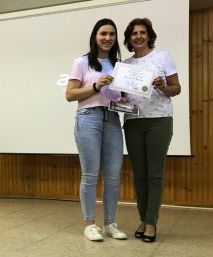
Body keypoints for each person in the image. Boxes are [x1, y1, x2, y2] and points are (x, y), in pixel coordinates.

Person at [66, 19, 127, 242]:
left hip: (112, 119)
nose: (108, 38)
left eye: (112, 34)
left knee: (113, 176)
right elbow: (70, 94)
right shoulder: (81, 62)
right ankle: (90, 224)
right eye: (103, 33)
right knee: (90, 174)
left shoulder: (120, 65)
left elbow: (122, 97)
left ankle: (110, 223)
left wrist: (127, 97)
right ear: (95, 36)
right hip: (88, 118)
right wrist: (95, 86)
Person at [122, 18, 181, 243]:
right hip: (133, 122)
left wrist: (163, 86)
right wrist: (120, 97)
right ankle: (144, 218)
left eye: (142, 32)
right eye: (134, 33)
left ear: (149, 35)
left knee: (154, 174)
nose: (138, 36)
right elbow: (123, 98)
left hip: (159, 121)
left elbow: (177, 88)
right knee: (139, 176)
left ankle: (151, 223)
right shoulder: (126, 65)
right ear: (129, 38)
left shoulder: (162, 57)